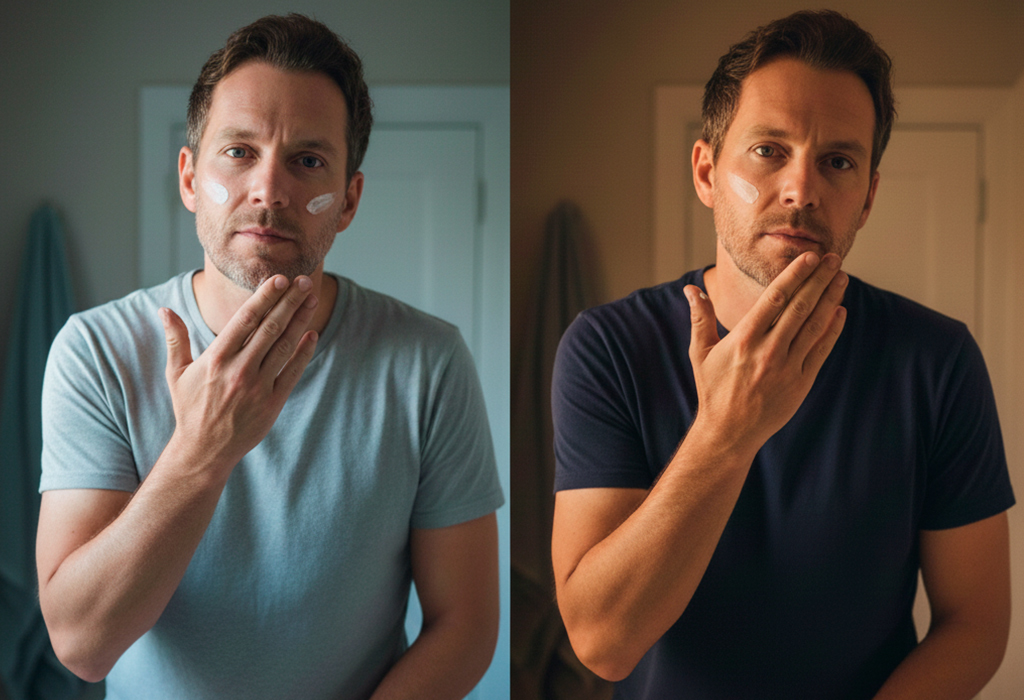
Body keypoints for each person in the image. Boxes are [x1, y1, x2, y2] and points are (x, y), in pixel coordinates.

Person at [35, 14, 503, 700]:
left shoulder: (428, 362)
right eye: (239, 152)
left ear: (348, 200)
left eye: (307, 160)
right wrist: (202, 450)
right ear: (190, 178)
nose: (269, 189)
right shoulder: (95, 353)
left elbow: (466, 627)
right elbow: (82, 646)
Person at [551, 10, 1014, 699]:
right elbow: (603, 645)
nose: (802, 189)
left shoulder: (936, 360)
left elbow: (976, 623)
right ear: (707, 172)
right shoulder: (608, 348)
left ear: (867, 199)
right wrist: (725, 434)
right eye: (769, 150)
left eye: (838, 162)